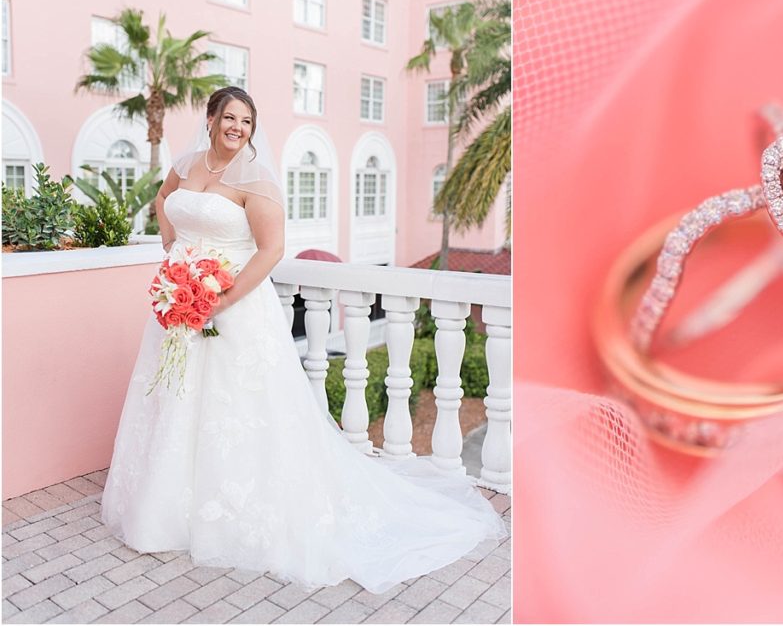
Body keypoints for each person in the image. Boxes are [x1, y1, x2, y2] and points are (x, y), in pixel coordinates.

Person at [100, 87, 506, 593]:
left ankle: (227, 509)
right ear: (210, 119)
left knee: (235, 410)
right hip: (179, 305)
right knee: (177, 398)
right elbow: (164, 201)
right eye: (229, 118)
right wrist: (173, 253)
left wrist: (220, 299)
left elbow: (271, 251)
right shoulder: (185, 164)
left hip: (234, 308)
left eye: (246, 121)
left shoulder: (257, 178)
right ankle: (167, 506)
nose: (238, 128)